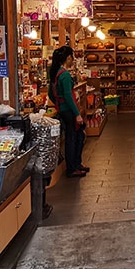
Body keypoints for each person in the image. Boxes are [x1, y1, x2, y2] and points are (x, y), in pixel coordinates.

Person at [48, 46, 88, 178]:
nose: (73, 60)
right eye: (72, 57)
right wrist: (77, 114)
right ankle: (72, 167)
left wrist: (58, 104)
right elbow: (69, 96)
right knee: (75, 138)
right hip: (69, 111)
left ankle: (76, 164)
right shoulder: (64, 74)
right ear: (68, 58)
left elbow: (51, 94)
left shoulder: (55, 73)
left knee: (74, 137)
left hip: (63, 110)